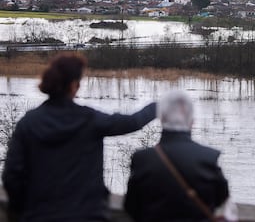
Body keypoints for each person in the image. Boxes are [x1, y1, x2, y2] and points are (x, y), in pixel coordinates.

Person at [2, 53, 157, 222]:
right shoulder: (90, 120)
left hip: (39, 215)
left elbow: (11, 175)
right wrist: (158, 106)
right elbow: (132, 122)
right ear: (73, 86)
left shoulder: (28, 123)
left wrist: (23, 209)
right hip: (87, 215)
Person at [124, 91, 229, 222]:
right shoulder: (209, 158)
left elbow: (130, 206)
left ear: (161, 119)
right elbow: (221, 199)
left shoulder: (142, 159)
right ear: (192, 121)